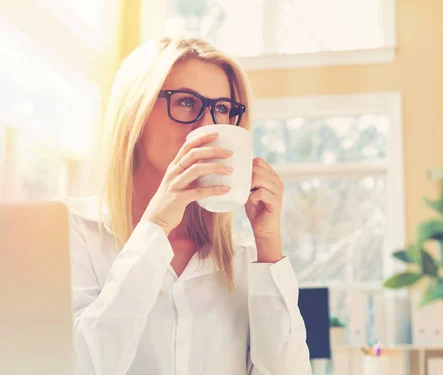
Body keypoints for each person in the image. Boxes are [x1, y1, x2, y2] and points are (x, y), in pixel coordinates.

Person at [63, 38, 311, 375]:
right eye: (185, 102)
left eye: (223, 109)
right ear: (135, 114)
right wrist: (155, 227)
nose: (208, 125)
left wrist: (269, 246)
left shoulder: (243, 258)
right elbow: (81, 367)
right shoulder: (70, 233)